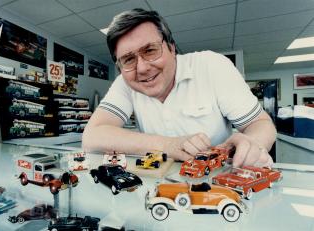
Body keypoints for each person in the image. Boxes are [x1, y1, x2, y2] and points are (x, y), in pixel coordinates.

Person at [82, 8, 276, 168]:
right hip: (158, 186)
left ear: (172, 48)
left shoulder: (212, 65)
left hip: (216, 179)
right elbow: (92, 136)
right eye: (128, 59)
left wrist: (252, 144)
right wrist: (168, 145)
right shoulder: (125, 82)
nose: (141, 68)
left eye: (150, 50)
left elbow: (260, 123)